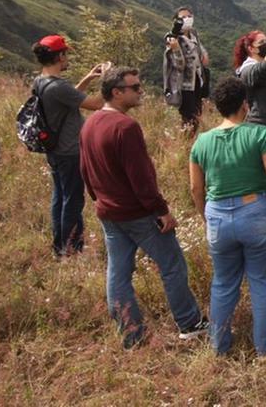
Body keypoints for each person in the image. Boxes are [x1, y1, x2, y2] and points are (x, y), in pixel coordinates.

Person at [80, 67, 208, 349]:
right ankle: (190, 323)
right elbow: (141, 177)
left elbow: (85, 168)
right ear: (117, 92)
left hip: (108, 212)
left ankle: (131, 334)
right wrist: (160, 210)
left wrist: (97, 198)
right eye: (135, 87)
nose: (140, 91)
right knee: (172, 265)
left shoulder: (90, 123)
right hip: (137, 213)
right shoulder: (125, 127)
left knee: (118, 273)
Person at [189, 76, 266, 356]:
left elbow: (196, 187)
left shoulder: (201, 142)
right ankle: (265, 347)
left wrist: (204, 216)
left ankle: (219, 346)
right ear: (244, 105)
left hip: (217, 216)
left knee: (223, 282)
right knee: (261, 281)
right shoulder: (259, 134)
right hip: (256, 212)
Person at [32, 35, 107, 256]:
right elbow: (94, 104)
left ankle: (59, 245)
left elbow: (68, 97)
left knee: (60, 197)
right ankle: (71, 249)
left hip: (54, 150)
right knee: (73, 200)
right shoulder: (58, 87)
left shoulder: (41, 81)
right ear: (59, 56)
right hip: (70, 151)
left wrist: (88, 78)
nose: (67, 59)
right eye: (66, 54)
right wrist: (108, 82)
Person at [162, 6, 210, 138]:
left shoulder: (193, 33)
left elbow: (199, 49)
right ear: (176, 21)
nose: (187, 19)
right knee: (189, 119)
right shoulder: (172, 38)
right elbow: (179, 66)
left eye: (189, 16)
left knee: (197, 116)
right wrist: (176, 49)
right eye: (183, 17)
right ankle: (185, 145)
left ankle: (190, 143)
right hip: (184, 86)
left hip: (197, 81)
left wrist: (204, 55)